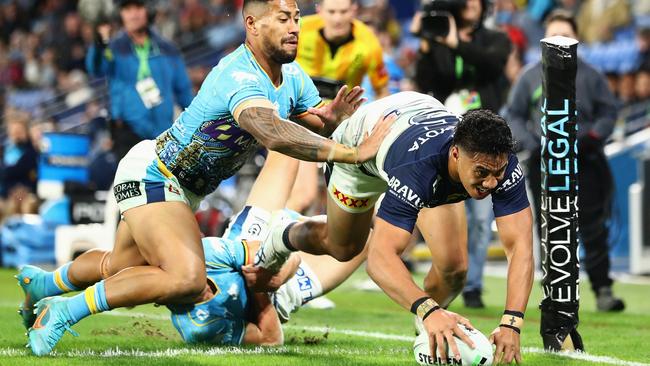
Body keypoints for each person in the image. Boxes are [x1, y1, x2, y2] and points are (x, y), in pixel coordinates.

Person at [23, 0, 392, 356]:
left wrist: (332, 117)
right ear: (252, 24)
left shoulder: (292, 77)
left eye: (296, 18)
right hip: (157, 174)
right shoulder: (240, 76)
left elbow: (311, 121)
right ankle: (64, 311)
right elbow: (275, 134)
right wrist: (352, 153)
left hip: (176, 185)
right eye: (282, 19)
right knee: (186, 278)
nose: (294, 27)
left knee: (120, 268)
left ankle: (44, 283)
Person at [251, 91, 534, 364]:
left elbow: (520, 246)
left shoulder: (500, 164)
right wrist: (429, 309)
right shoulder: (419, 169)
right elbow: (379, 260)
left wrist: (512, 322)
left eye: (497, 173)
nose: (491, 183)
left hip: (415, 124)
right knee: (344, 247)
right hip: (363, 147)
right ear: (457, 155)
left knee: (454, 270)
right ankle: (285, 232)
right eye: (482, 173)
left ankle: (428, 336)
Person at [17, 151, 366, 346]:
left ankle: (48, 286)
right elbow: (270, 338)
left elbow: (274, 249)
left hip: (254, 237)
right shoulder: (201, 326)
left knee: (117, 265)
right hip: (283, 297)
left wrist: (274, 270)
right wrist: (259, 291)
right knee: (359, 241)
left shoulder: (207, 253)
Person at [503, 10, 625, 312]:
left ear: (576, 39)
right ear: (543, 39)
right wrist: (530, 142)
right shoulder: (530, 76)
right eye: (553, 35)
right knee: (551, 227)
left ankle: (603, 289)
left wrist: (594, 137)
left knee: (594, 226)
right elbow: (513, 114)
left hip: (586, 162)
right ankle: (556, 296)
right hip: (545, 165)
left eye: (565, 35)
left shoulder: (591, 76)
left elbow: (609, 112)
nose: (559, 41)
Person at [413, 0, 512, 308]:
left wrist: (456, 43)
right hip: (447, 140)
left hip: (485, 141)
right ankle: (449, 278)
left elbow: (490, 65)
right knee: (448, 213)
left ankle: (473, 286)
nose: (469, 4)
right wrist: (427, 45)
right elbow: (427, 83)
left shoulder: (496, 39)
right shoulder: (439, 40)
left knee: (482, 219)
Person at [286, 0, 390, 214]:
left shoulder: (368, 43)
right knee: (304, 196)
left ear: (354, 11)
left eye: (343, 11)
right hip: (300, 121)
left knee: (354, 201)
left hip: (343, 126)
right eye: (331, 11)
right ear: (320, 11)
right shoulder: (298, 31)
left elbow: (382, 91)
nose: (337, 18)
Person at [86, 0, 194, 160]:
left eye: (138, 7)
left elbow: (184, 93)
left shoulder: (168, 49)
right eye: (127, 9)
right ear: (120, 14)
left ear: (148, 11)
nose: (133, 14)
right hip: (127, 134)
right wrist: (100, 42)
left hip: (162, 136)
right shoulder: (113, 48)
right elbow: (96, 68)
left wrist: (198, 126)